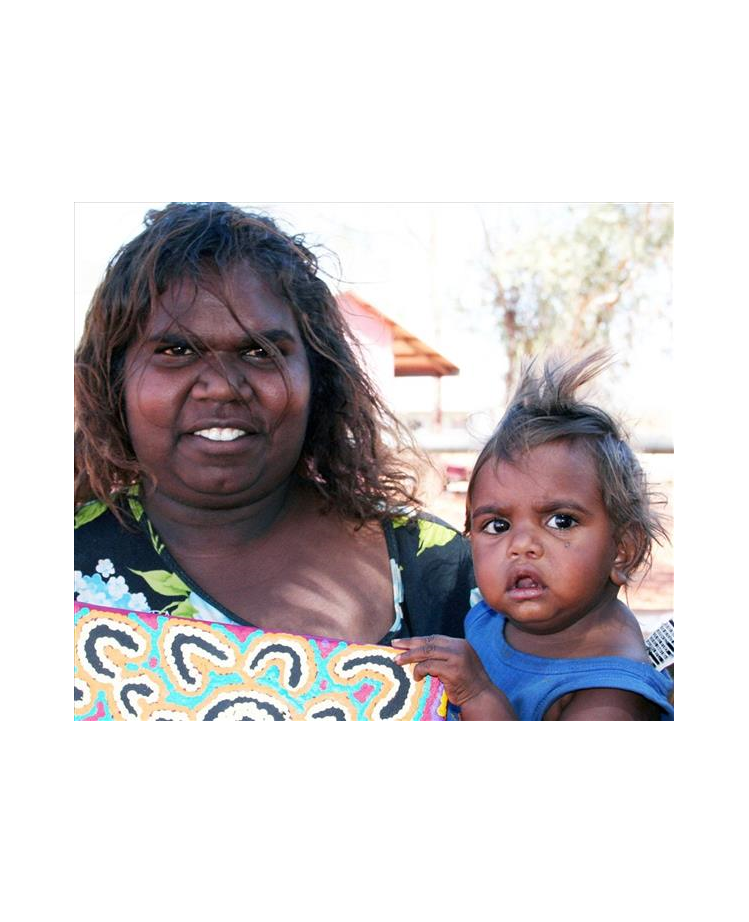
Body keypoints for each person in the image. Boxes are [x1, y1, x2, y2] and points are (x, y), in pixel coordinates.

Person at [75, 202, 475, 648]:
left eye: (260, 351)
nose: (223, 387)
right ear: (116, 380)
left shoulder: (438, 567)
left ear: (318, 379)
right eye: (177, 351)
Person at [393, 352, 674, 720]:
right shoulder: (490, 620)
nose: (521, 545)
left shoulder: (611, 697)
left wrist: (478, 695)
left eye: (560, 521)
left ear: (624, 549)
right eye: (497, 525)